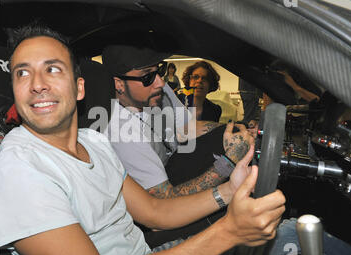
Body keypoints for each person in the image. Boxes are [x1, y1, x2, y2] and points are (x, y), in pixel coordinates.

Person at [0, 25, 351, 255]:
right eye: (23, 72)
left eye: (52, 69)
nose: (36, 83)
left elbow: (154, 211)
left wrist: (229, 190)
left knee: (292, 236)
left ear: (80, 87)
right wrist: (228, 232)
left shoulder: (92, 141)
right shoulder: (20, 168)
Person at [103, 46, 251, 198]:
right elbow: (165, 199)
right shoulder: (119, 130)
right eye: (147, 76)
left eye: (160, 70)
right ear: (119, 84)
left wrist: (237, 129)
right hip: (168, 196)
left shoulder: (159, 90)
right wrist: (227, 164)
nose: (160, 82)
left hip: (180, 164)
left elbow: (187, 128)